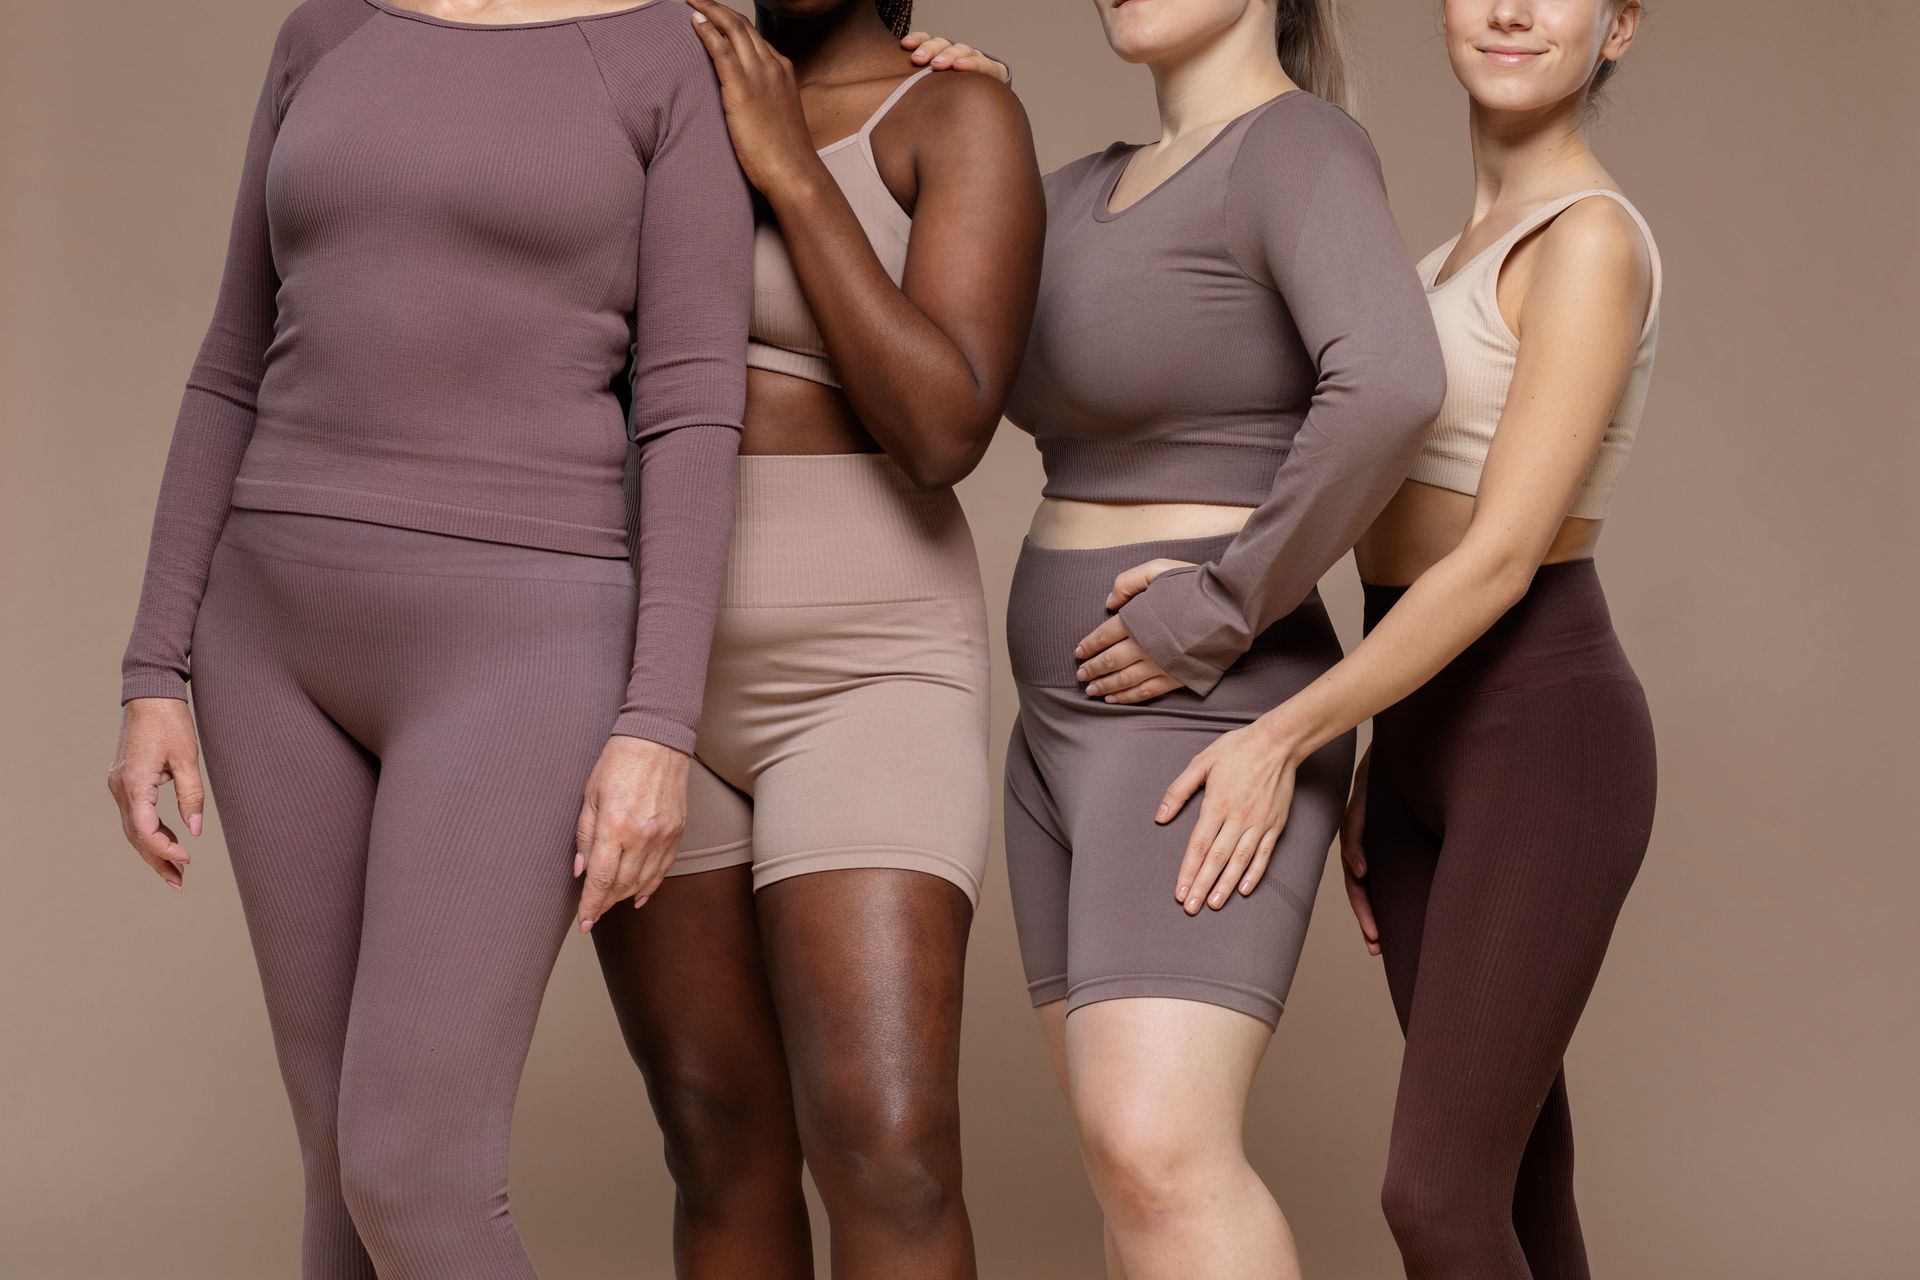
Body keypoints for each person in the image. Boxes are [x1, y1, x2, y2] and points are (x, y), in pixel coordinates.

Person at [104, 2, 750, 1275]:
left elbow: (688, 409)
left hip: (520, 642)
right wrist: (152, 668)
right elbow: (233, 358)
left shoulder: (657, 54)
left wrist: (657, 720)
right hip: (268, 637)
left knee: (411, 1169)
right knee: (340, 1177)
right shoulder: (323, 32)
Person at [1151, 2, 1659, 1276]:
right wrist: (1243, 594)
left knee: (1435, 1195)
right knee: (1518, 1191)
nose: (1508, 10)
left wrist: (1286, 732)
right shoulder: (1443, 258)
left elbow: (1494, 558)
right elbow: (1358, 498)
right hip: (1422, 725)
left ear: (1618, 28)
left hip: (1544, 726)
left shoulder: (1590, 241)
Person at [983, 2, 1445, 1276]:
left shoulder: (1297, 150)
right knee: (1121, 1161)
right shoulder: (1070, 190)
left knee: (1157, 1145)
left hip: (1200, 715)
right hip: (1053, 735)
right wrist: (948, 119)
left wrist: (1223, 603)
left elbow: (1394, 380)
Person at [589, 2, 1042, 1278]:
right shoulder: (653, 91)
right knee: (715, 1137)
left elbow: (946, 426)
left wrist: (788, 162)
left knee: (886, 1143)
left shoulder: (957, 116)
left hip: (867, 666)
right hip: (651, 668)